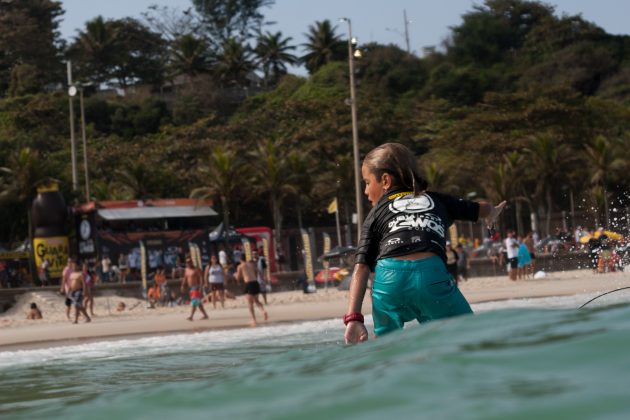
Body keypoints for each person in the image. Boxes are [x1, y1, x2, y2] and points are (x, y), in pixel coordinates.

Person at [344, 143, 505, 344]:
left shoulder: (375, 214)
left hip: (389, 281)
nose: (366, 191)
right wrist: (493, 212)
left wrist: (353, 318)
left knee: (386, 348)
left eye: (367, 183)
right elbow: (479, 209)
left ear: (385, 180)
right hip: (432, 275)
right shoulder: (439, 200)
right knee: (467, 337)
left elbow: (361, 267)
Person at [236, 254, 268, 326]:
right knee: (256, 301)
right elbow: (259, 272)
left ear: (240, 259)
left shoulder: (240, 266)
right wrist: (261, 278)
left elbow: (238, 277)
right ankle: (263, 311)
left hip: (248, 284)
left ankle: (254, 320)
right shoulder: (251, 264)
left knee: (250, 303)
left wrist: (237, 277)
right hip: (255, 282)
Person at [180, 257, 209, 321]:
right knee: (198, 303)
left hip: (196, 287)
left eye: (190, 262)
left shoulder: (196, 269)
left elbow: (201, 278)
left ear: (192, 262)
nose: (188, 263)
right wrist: (182, 286)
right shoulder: (186, 270)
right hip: (191, 288)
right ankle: (205, 315)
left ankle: (191, 316)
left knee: (194, 302)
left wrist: (201, 288)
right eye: (187, 262)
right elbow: (185, 278)